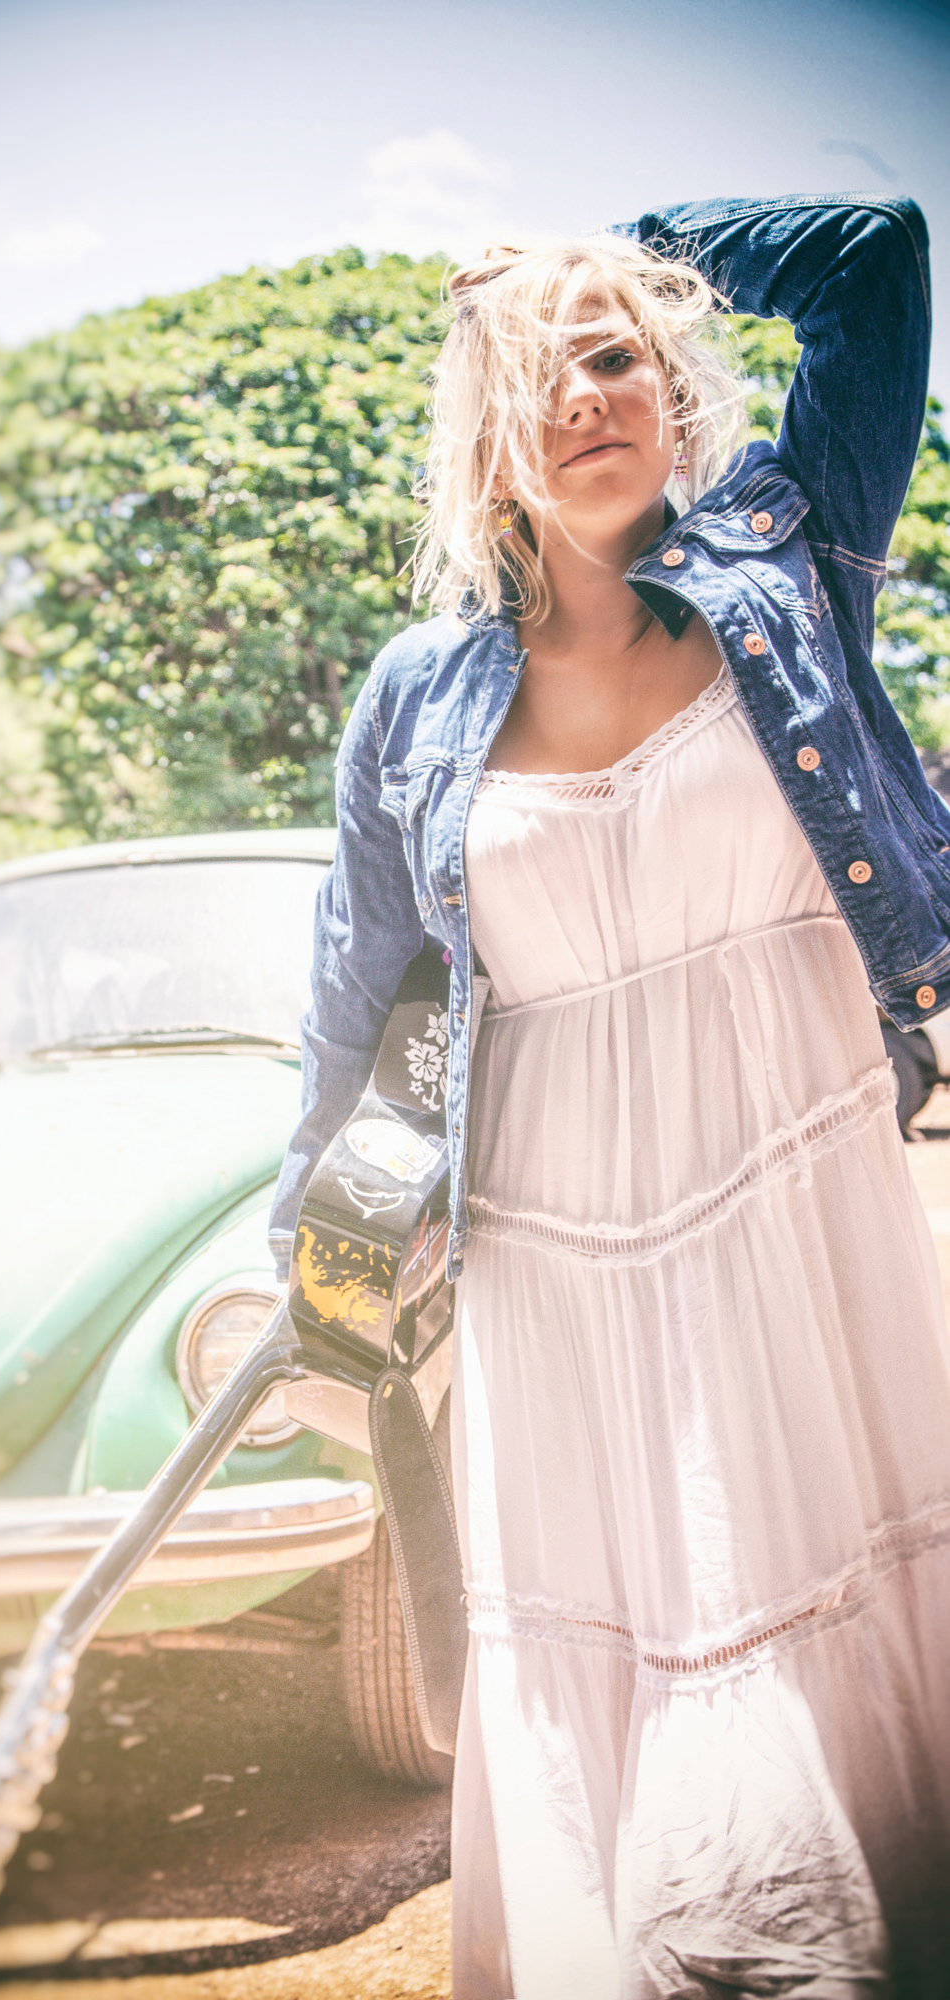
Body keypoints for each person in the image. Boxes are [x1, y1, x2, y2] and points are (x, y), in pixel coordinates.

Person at [268, 196, 950, 1997]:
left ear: (672, 385)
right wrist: (320, 1256)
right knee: (617, 1620)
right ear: (482, 438)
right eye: (532, 372)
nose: (582, 393)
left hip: (793, 1182)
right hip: (550, 1239)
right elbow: (357, 999)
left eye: (614, 354)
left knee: (814, 1572)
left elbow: (871, 258)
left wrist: (602, 246)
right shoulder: (415, 695)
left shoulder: (787, 554)